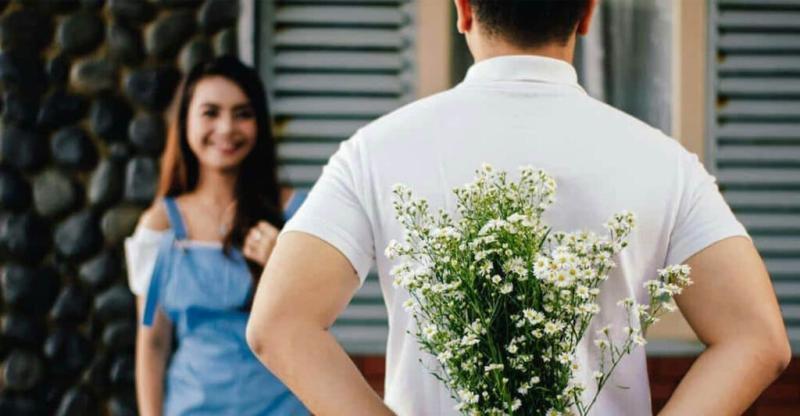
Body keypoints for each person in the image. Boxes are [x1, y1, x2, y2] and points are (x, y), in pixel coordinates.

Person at [245, 1, 791, 415]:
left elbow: (279, 324)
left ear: (462, 11)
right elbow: (758, 340)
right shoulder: (665, 162)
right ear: (586, 14)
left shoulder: (375, 151)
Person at [124, 56, 308, 416]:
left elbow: (318, 323)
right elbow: (152, 339)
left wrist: (282, 266)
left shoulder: (297, 214)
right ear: (185, 121)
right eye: (210, 113)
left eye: (243, 113)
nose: (227, 128)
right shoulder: (158, 229)